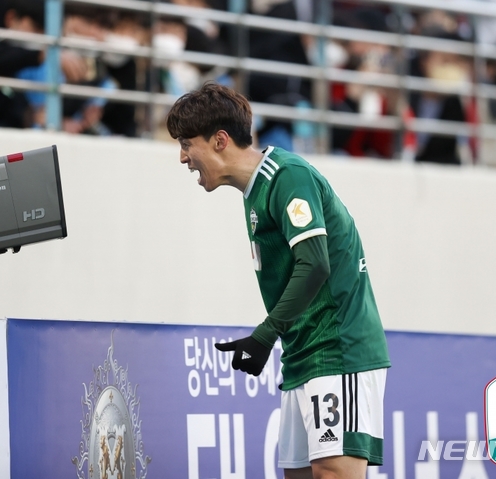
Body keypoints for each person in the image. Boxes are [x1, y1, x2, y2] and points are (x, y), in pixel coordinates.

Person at [165, 82, 391, 479]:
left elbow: (315, 264)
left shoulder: (286, 175)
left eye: (187, 143)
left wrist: (265, 334)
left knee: (333, 472)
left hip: (338, 347)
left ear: (219, 140)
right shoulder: (254, 192)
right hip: (302, 353)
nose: (183, 157)